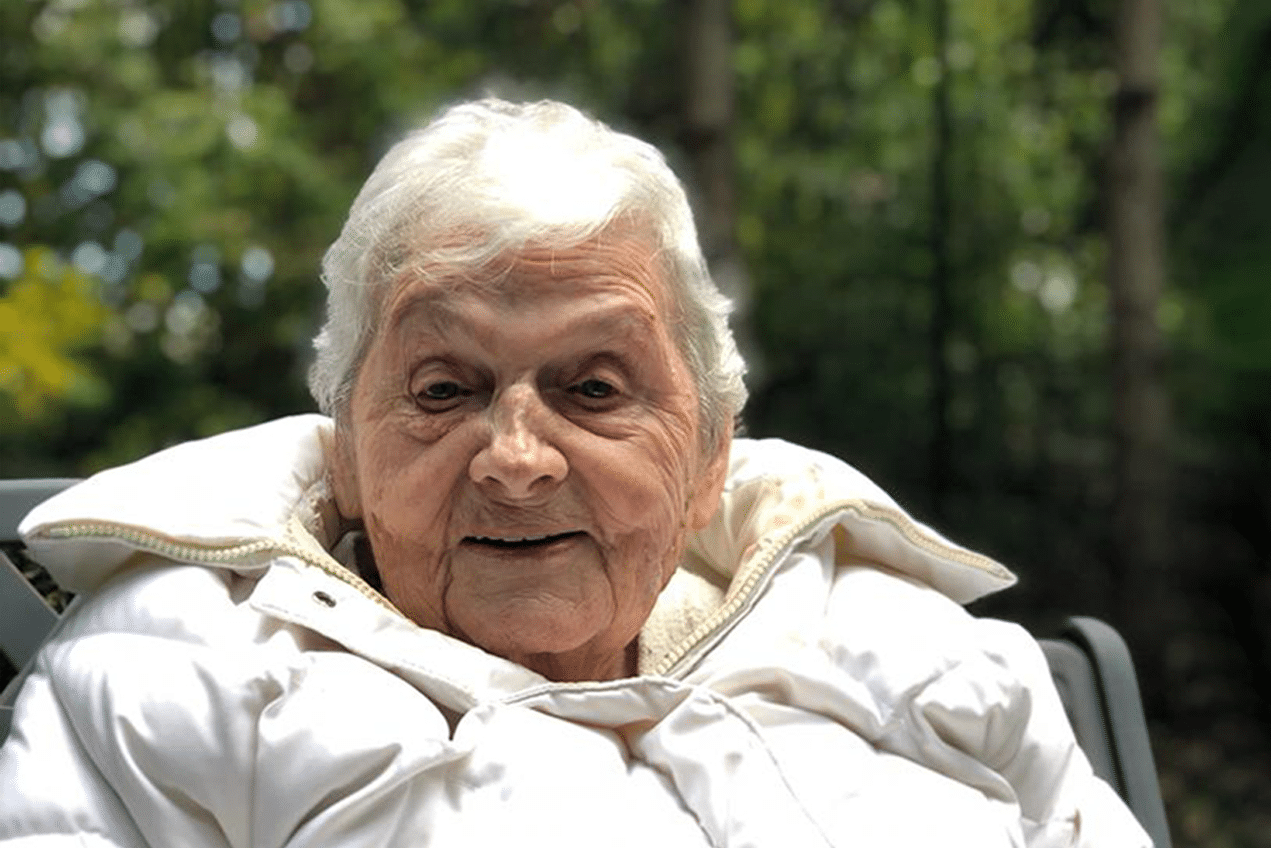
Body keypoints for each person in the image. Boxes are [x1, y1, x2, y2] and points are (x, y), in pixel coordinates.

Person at [0, 98, 1150, 847]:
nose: (513, 458)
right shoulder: (166, 671)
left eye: (593, 389)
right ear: (343, 444)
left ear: (709, 451)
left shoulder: (912, 646)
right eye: (443, 389)